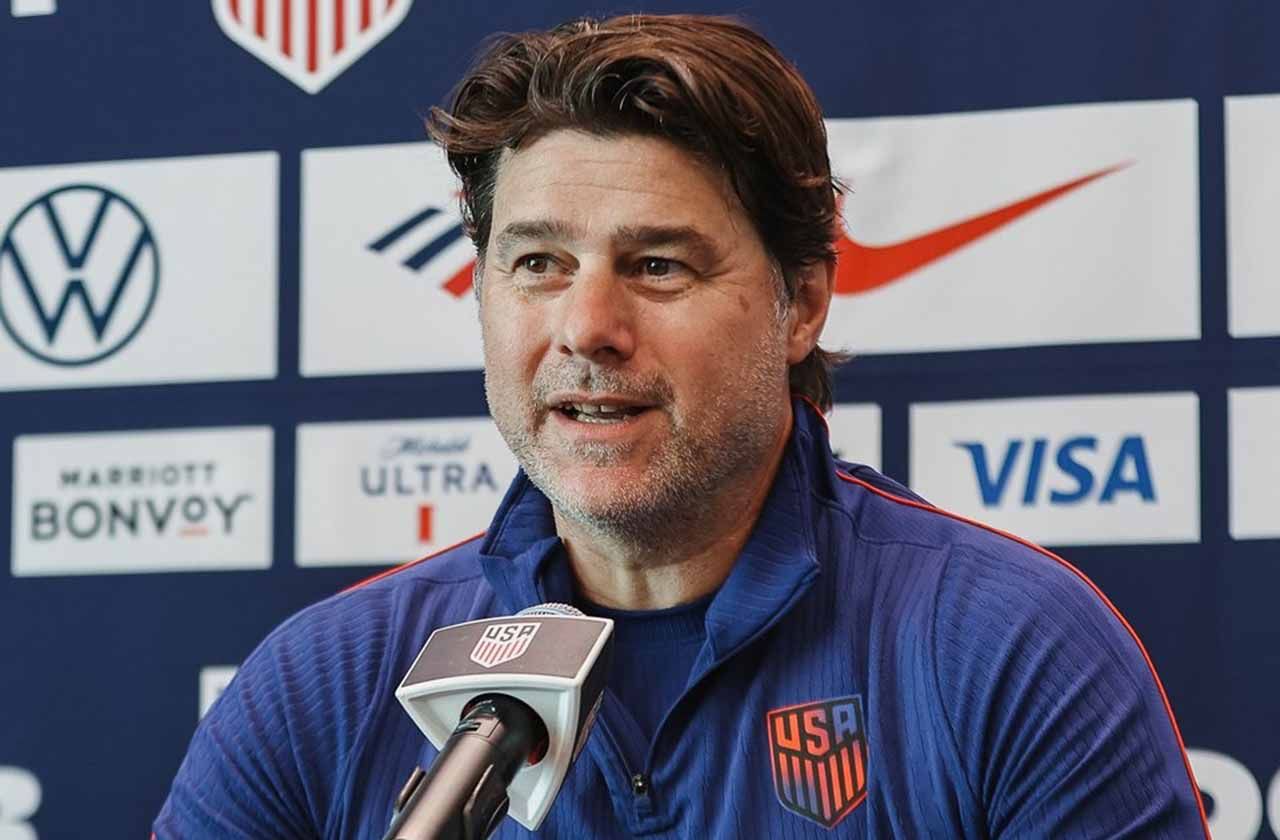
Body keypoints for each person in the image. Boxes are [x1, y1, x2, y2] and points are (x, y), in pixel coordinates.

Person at [154, 14, 1208, 838]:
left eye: (657, 265)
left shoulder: (1010, 647)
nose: (586, 327)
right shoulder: (322, 682)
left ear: (801, 302)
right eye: (538, 263)